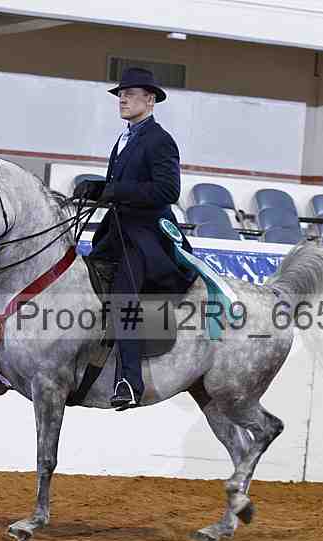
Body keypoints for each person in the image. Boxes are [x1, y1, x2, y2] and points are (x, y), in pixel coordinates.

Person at [74, 67, 196, 411]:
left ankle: (129, 381)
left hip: (146, 237)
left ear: (150, 99)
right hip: (116, 233)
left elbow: (167, 191)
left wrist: (116, 190)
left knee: (123, 295)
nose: (122, 99)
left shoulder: (160, 140)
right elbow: (124, 186)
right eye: (120, 94)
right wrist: (99, 188)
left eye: (129, 94)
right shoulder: (124, 138)